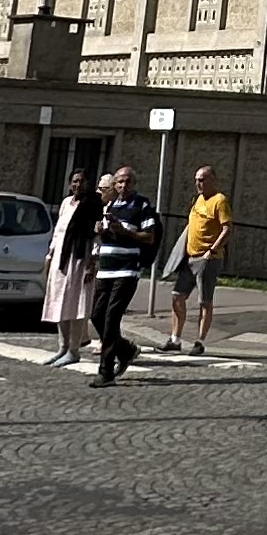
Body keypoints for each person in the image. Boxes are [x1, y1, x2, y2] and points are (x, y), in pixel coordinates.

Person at [90, 163, 157, 389]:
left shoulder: (141, 204)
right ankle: (125, 349)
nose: (123, 185)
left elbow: (149, 236)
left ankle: (106, 371)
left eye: (127, 181)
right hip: (106, 268)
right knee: (97, 315)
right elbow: (108, 236)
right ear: (114, 185)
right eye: (119, 181)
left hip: (126, 269)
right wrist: (101, 231)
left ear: (134, 183)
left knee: (111, 317)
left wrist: (125, 231)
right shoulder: (110, 205)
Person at [167, 167, 232, 354]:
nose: (198, 183)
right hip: (189, 257)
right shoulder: (197, 200)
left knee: (204, 301)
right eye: (196, 179)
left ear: (213, 180)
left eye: (202, 179)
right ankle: (175, 339)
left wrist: (212, 250)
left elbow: (227, 229)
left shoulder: (219, 201)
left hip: (207, 259)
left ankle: (200, 341)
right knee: (177, 296)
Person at [41, 169, 100, 366]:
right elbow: (58, 232)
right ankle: (63, 346)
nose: (78, 185)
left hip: (80, 258)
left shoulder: (93, 204)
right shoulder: (66, 203)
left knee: (75, 304)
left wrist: (92, 262)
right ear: (69, 184)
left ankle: (74, 349)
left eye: (82, 181)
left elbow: (96, 235)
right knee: (59, 301)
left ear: (88, 184)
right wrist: (50, 255)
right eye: (75, 181)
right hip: (62, 257)